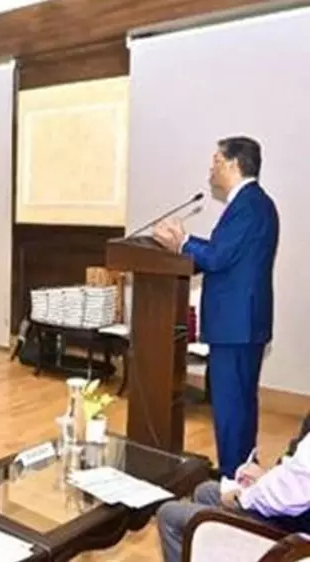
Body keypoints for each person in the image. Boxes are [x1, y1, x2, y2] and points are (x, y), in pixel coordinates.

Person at [154, 137, 280, 477]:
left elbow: (218, 257)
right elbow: (225, 256)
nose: (211, 169)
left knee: (231, 408)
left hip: (236, 325)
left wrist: (183, 241)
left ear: (233, 164)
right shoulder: (255, 203)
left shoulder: (248, 205)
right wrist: (184, 248)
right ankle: (242, 473)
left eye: (216, 161)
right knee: (240, 405)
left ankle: (230, 480)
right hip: (243, 323)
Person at [156, 413, 310, 562]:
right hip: (295, 512)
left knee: (169, 514)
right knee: (206, 491)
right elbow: (295, 474)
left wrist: (240, 498)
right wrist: (265, 478)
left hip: (297, 541)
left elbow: (288, 495)